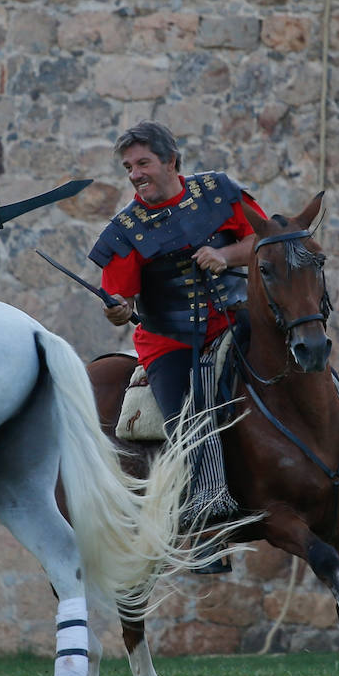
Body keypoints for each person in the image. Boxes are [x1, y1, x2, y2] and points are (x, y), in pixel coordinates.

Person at [89, 122, 267, 568]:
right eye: (129, 167)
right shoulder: (125, 230)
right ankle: (206, 525)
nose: (135, 174)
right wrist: (115, 310)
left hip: (237, 318)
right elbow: (120, 298)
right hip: (168, 342)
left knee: (302, 357)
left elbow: (264, 240)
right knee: (186, 423)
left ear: (171, 161)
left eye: (143, 163)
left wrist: (226, 256)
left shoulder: (219, 192)